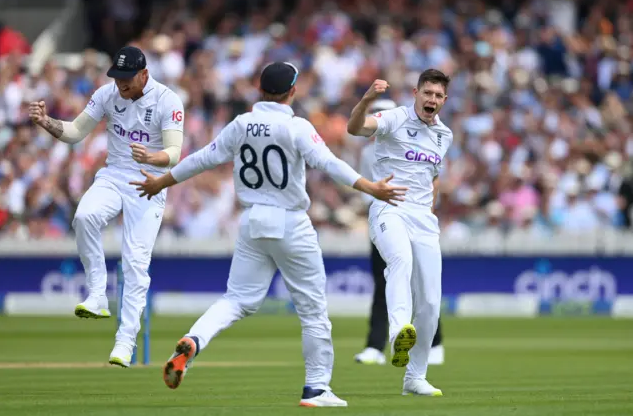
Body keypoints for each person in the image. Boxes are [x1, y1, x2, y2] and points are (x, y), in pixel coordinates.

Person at [131, 61, 407, 407]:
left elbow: (201, 159)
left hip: (251, 221)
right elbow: (329, 163)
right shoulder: (296, 126)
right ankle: (317, 388)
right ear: (292, 91)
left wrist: (160, 181)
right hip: (291, 221)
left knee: (236, 299)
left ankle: (194, 339)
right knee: (313, 311)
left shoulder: (241, 124)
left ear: (260, 90)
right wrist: (370, 187)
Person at [28, 46, 185, 367]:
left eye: (128, 78)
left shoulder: (168, 100)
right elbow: (74, 132)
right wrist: (46, 121)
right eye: (118, 77)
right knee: (84, 216)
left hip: (151, 182)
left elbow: (174, 153)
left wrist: (151, 158)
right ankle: (98, 293)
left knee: (135, 262)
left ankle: (125, 342)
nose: (121, 84)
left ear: (144, 74)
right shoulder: (106, 94)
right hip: (114, 174)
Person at [346, 69, 453, 396]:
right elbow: (354, 128)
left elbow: (431, 175)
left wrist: (430, 205)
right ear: (416, 93)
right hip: (388, 207)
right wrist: (367, 99)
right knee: (400, 262)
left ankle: (414, 379)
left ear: (443, 100)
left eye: (438, 95)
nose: (431, 99)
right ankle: (397, 333)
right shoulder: (395, 117)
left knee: (432, 302)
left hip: (423, 219)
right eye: (427, 93)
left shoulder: (444, 135)